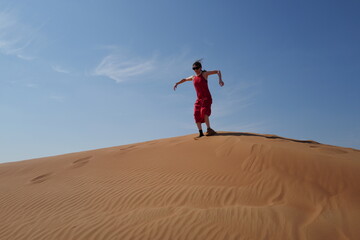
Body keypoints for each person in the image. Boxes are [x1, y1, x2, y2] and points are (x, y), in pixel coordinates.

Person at [174, 60, 224, 138]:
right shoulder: (193, 77)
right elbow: (184, 79)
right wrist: (177, 83)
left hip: (207, 98)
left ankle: (209, 129)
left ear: (200, 68)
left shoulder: (204, 74)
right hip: (199, 99)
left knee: (203, 111)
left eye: (196, 68)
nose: (195, 70)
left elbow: (217, 71)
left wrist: (220, 80)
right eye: (193, 68)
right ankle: (200, 133)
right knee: (196, 114)